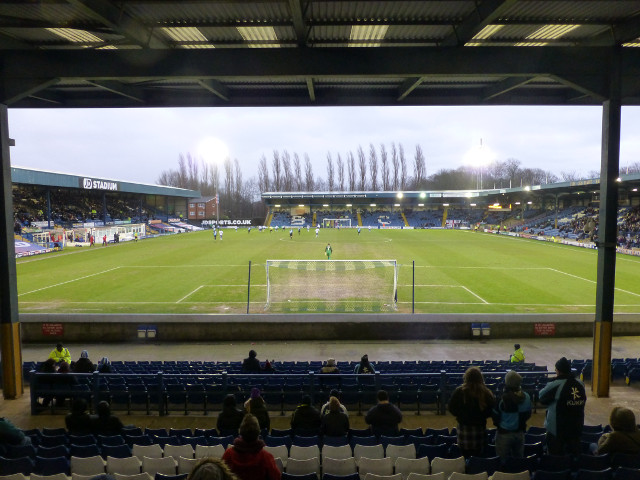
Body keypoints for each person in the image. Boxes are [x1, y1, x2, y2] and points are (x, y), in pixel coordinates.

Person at [539, 356, 586, 455]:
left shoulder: (556, 385)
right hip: (576, 428)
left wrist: (553, 381)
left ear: (558, 371)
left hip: (557, 430)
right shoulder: (580, 384)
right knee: (573, 457)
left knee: (556, 458)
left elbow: (542, 397)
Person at [448, 366, 496, 457]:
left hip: (463, 432)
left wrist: (460, 416)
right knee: (478, 457)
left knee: (464, 455)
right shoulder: (486, 392)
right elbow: (491, 410)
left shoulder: (459, 391)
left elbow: (451, 408)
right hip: (480, 432)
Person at [222, 414, 281, 480]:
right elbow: (276, 477)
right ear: (258, 433)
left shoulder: (228, 454)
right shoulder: (266, 457)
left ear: (241, 432)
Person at [492, 370, 532, 461]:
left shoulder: (502, 399)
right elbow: (528, 414)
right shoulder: (527, 397)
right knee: (518, 461)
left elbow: (495, 417)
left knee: (502, 462)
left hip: (504, 434)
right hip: (520, 433)